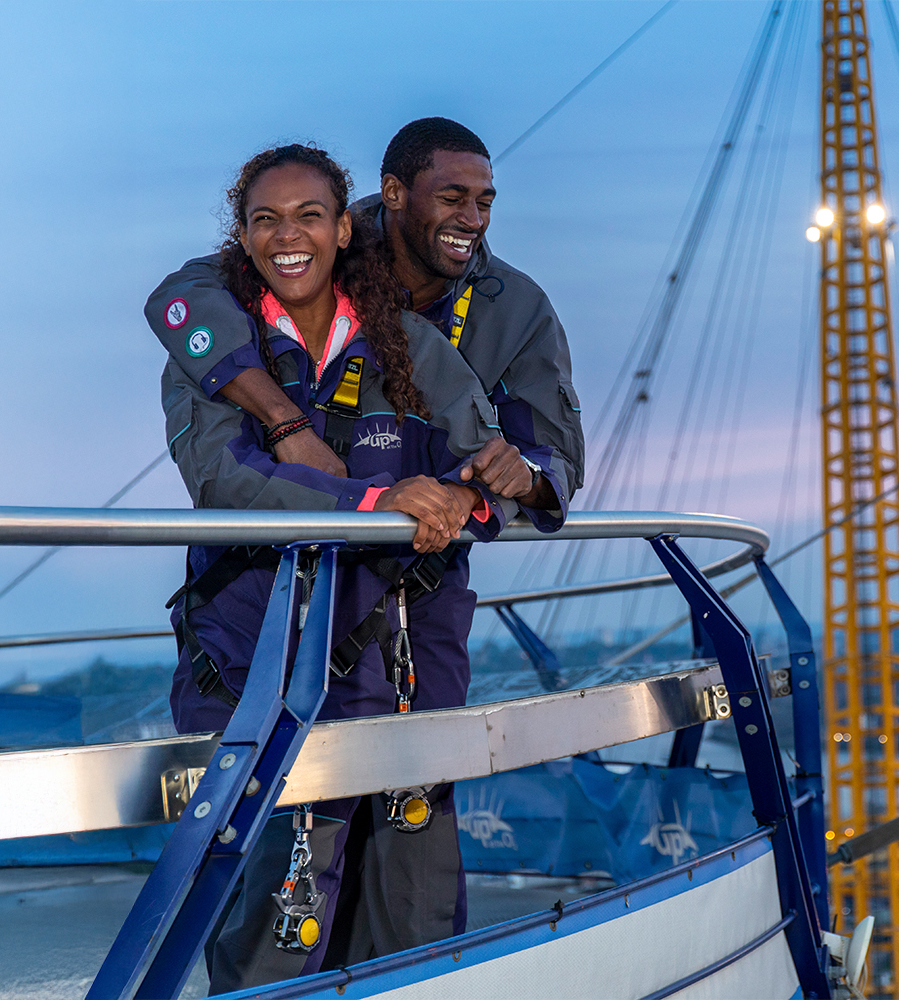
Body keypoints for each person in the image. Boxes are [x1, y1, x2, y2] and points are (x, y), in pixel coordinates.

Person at [146, 118, 585, 979]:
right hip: (264, 629)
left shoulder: (507, 311)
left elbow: (541, 455)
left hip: (417, 624)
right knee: (281, 891)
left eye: (485, 200)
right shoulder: (286, 261)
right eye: (451, 197)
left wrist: (484, 488)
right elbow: (179, 307)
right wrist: (297, 433)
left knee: (411, 888)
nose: (472, 217)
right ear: (383, 202)